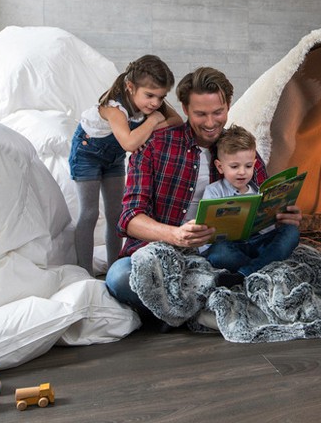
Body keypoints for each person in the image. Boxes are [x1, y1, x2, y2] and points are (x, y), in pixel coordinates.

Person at [104, 67, 303, 316]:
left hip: (223, 253)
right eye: (200, 114)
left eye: (218, 112)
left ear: (228, 106)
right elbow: (130, 218)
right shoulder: (154, 146)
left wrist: (284, 213)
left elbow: (263, 200)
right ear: (185, 110)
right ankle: (221, 297)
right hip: (164, 249)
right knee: (120, 279)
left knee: (280, 240)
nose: (210, 123)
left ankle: (199, 298)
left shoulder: (240, 149)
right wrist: (176, 235)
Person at [69, 55, 182, 276]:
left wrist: (146, 129)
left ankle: (113, 268)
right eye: (150, 96)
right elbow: (130, 143)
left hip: (113, 159)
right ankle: (84, 271)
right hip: (87, 154)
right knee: (90, 213)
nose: (156, 104)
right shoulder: (114, 108)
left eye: (161, 97)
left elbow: (177, 121)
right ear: (131, 87)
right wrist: (151, 122)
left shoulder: (150, 102)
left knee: (116, 214)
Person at [200, 125, 300, 276]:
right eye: (234, 166)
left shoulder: (259, 191)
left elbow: (268, 230)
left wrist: (278, 217)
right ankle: (262, 266)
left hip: (257, 243)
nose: (242, 172)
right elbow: (207, 233)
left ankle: (245, 273)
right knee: (219, 254)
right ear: (220, 167)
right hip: (231, 246)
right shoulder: (213, 191)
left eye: (248, 166)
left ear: (254, 164)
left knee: (291, 232)